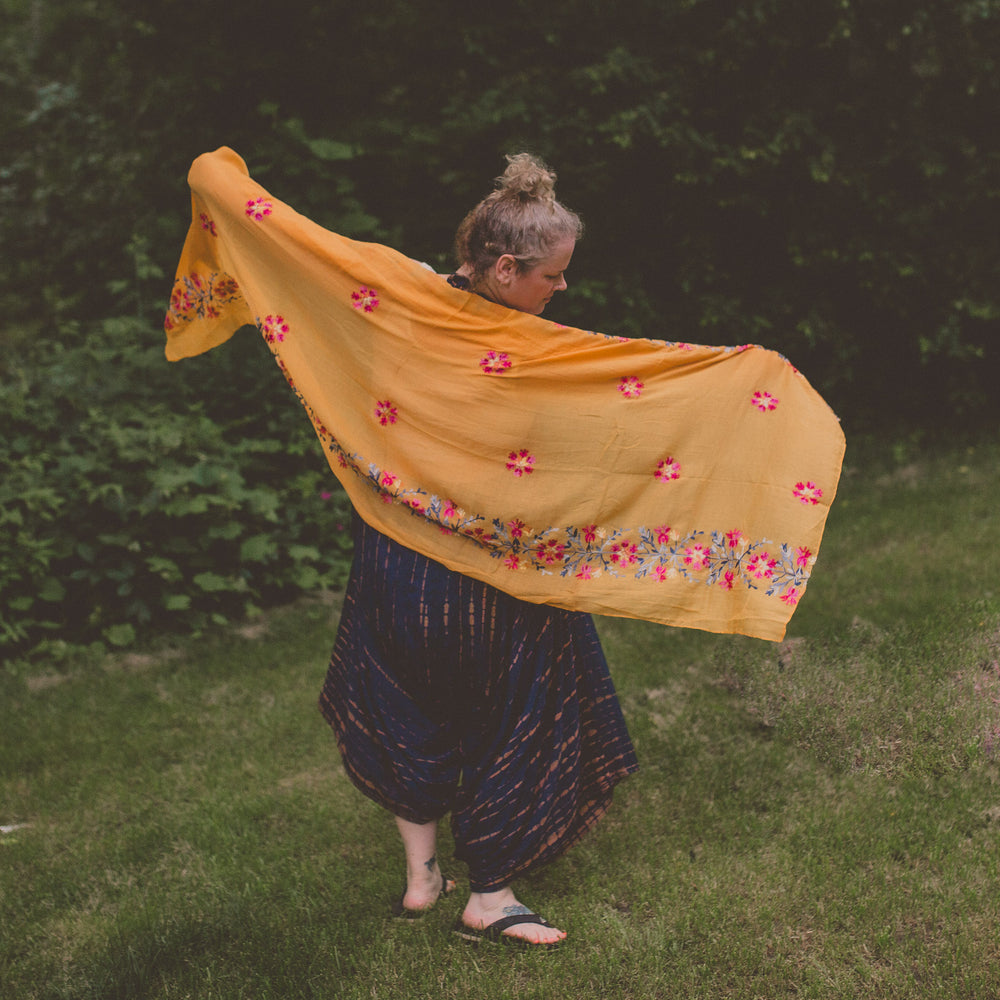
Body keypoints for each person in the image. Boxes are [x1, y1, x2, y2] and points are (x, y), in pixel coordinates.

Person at [318, 154, 639, 947]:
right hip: (485, 581)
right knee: (515, 713)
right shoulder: (533, 353)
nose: (561, 290)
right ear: (504, 268)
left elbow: (311, 264)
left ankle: (424, 875)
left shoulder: (403, 307)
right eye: (553, 277)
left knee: (406, 704)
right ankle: (489, 897)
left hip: (393, 567)